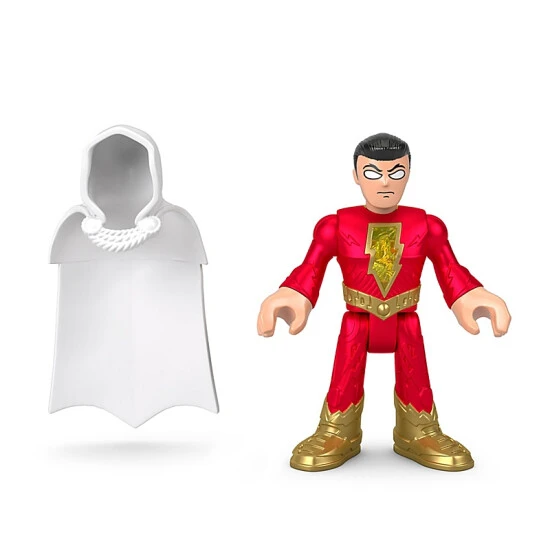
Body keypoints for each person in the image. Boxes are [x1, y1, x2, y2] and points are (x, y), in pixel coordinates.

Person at [257, 133, 510, 472]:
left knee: (414, 371)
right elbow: (311, 266)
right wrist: (293, 293)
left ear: (409, 174)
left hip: (406, 317)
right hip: (357, 318)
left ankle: (419, 430)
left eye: (397, 172)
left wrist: (470, 294)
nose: (386, 183)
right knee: (345, 372)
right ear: (356, 175)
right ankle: (337, 429)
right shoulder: (335, 225)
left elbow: (450, 268)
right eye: (373, 173)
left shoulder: (427, 226)